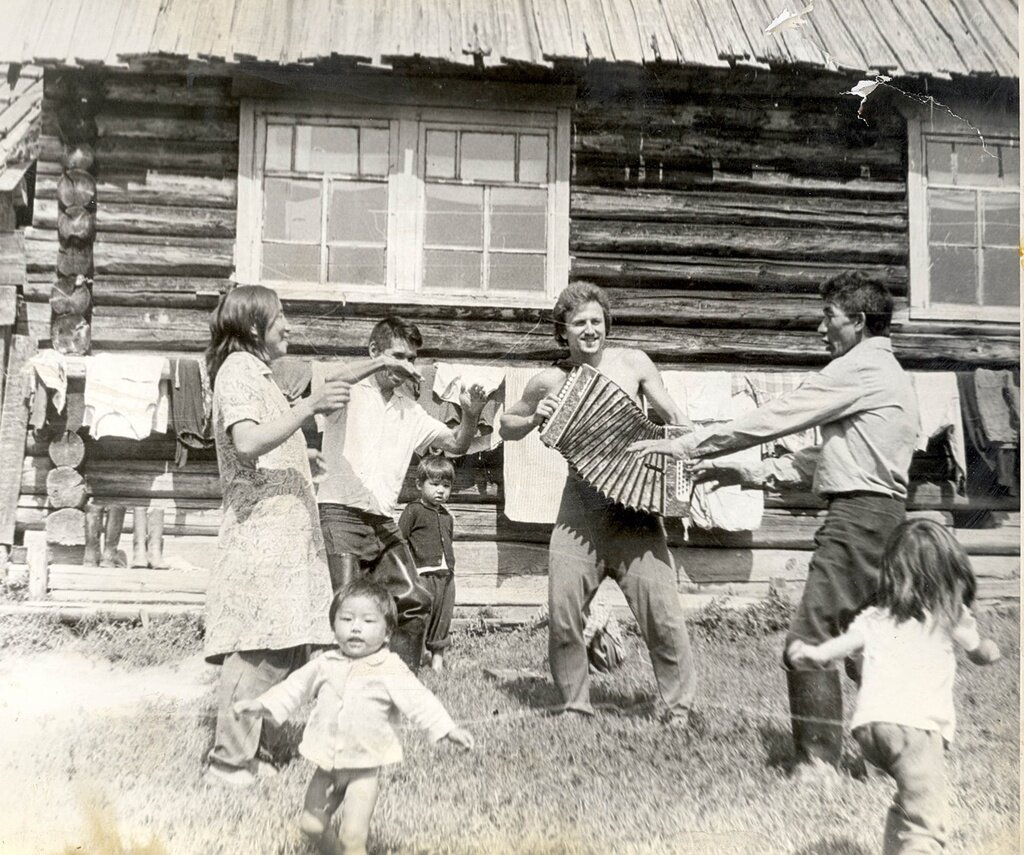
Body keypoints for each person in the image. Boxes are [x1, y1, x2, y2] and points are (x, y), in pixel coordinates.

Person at [631, 272, 920, 775]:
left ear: (857, 321)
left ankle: (817, 766)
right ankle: (902, 753)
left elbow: (775, 417)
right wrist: (743, 470)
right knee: (862, 646)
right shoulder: (891, 373)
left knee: (808, 643)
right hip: (883, 519)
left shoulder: (859, 368)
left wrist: (686, 444)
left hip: (857, 519)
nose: (819, 328)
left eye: (828, 316)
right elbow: (827, 457)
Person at [499, 281, 699, 727]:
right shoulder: (551, 379)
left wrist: (684, 446)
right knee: (564, 609)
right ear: (563, 332)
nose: (590, 330)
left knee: (662, 614)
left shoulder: (634, 363)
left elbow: (675, 420)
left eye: (596, 321)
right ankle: (574, 705)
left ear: (607, 324)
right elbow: (506, 425)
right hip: (582, 508)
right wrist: (535, 417)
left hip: (635, 509)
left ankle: (678, 710)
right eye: (579, 323)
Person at [202, 285, 351, 788]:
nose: (288, 325)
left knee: (285, 646)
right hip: (260, 533)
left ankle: (256, 750)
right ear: (251, 329)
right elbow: (245, 441)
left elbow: (266, 436)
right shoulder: (238, 371)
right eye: (280, 317)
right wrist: (308, 408)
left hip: (284, 531)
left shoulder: (257, 374)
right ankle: (228, 762)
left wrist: (297, 454)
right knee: (258, 647)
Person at [790, 520, 1001, 854]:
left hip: (871, 731)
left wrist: (814, 652)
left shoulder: (876, 615)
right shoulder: (947, 613)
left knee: (906, 802)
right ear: (949, 573)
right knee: (927, 822)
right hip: (915, 731)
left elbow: (844, 643)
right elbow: (981, 652)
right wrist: (992, 651)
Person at [234, 579, 474, 855]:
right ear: (334, 627)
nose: (356, 627)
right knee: (311, 826)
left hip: (364, 770)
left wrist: (447, 728)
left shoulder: (389, 668)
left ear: (387, 634)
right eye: (346, 619)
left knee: (352, 838)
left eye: (368, 621)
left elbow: (419, 700)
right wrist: (261, 705)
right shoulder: (325, 664)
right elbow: (293, 688)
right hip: (327, 766)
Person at [316, 317, 487, 672]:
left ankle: (399, 687)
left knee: (414, 599)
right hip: (339, 513)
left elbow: (456, 443)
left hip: (381, 519)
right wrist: (382, 363)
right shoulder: (347, 393)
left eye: (411, 359)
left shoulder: (410, 410)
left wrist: (470, 416)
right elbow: (330, 383)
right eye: (398, 356)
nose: (405, 366)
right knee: (348, 609)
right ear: (374, 351)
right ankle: (341, 692)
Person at [398, 454, 458, 672]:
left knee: (443, 617)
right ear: (419, 484)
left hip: (445, 576)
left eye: (446, 485)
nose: (440, 490)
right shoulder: (413, 511)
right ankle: (415, 657)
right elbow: (400, 540)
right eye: (434, 484)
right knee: (421, 616)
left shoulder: (447, 516)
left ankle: (437, 662)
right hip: (422, 575)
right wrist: (408, 571)